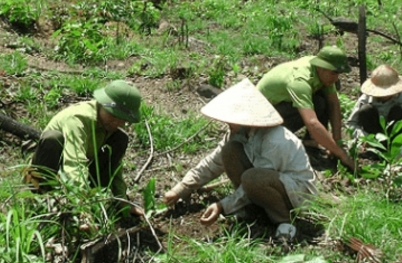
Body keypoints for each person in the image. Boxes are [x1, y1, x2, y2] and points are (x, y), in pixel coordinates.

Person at [164, 78, 317, 240]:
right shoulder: (238, 133)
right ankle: (251, 208)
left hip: (297, 193)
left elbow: (258, 178)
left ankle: (284, 221)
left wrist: (223, 206)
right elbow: (214, 162)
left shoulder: (274, 140)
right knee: (230, 150)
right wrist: (182, 188)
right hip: (265, 185)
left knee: (252, 178)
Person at [26, 80, 144, 216]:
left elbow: (115, 168)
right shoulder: (77, 120)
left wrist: (122, 199)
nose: (116, 122)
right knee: (52, 138)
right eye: (112, 115)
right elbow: (74, 162)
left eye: (121, 119)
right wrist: (82, 206)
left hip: (78, 174)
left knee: (121, 138)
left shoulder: (110, 127)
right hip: (51, 169)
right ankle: (44, 198)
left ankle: (95, 197)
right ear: (101, 104)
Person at [256, 46, 355, 170]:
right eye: (334, 73)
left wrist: (337, 140)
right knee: (317, 103)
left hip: (282, 105)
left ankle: (313, 142)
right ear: (321, 67)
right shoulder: (300, 81)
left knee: (321, 100)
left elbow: (334, 104)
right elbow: (312, 122)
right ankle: (292, 142)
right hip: (261, 117)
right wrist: (342, 155)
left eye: (338, 74)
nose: (336, 78)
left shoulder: (321, 72)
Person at [347, 64, 402, 158]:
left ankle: (391, 150)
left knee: (397, 111)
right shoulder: (366, 98)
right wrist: (364, 138)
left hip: (394, 136)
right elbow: (351, 123)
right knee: (365, 110)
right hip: (374, 137)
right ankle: (374, 151)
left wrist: (401, 154)